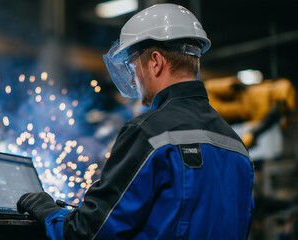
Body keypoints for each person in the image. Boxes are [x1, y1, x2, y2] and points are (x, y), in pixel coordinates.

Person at [17, 3, 254, 240]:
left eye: (132, 67)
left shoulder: (149, 133)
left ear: (155, 61)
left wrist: (47, 211)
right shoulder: (237, 145)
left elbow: (87, 233)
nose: (132, 82)